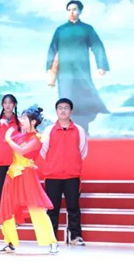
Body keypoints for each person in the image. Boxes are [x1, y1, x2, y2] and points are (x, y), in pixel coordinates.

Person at [0, 106, 59, 254]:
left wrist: (8, 138)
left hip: (27, 176)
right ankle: (9, 241)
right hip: (12, 175)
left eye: (25, 118)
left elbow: (22, 151)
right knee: (7, 207)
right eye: (21, 118)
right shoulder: (19, 137)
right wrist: (5, 132)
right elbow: (8, 145)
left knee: (36, 208)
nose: (21, 120)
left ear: (33, 121)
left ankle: (52, 241)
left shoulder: (37, 138)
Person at [46, 0, 110, 132]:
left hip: (82, 71)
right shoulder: (60, 30)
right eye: (69, 10)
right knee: (66, 100)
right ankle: (66, 131)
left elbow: (97, 46)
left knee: (84, 100)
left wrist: (101, 66)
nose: (72, 12)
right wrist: (49, 69)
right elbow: (52, 49)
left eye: (74, 9)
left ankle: (83, 131)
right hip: (64, 73)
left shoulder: (87, 29)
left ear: (80, 11)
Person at [40, 98, 88, 246]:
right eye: (60, 108)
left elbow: (82, 150)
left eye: (66, 108)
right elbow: (44, 150)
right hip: (52, 176)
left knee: (73, 207)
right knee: (52, 208)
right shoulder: (49, 130)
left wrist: (72, 164)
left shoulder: (79, 130)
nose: (63, 110)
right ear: (56, 111)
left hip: (72, 176)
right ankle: (51, 237)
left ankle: (75, 236)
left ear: (70, 111)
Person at [0, 94, 20, 199]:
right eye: (5, 103)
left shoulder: (20, 122)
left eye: (10, 103)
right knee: (3, 191)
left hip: (15, 162)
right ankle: (4, 210)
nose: (7, 105)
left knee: (15, 192)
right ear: (2, 105)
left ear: (14, 104)